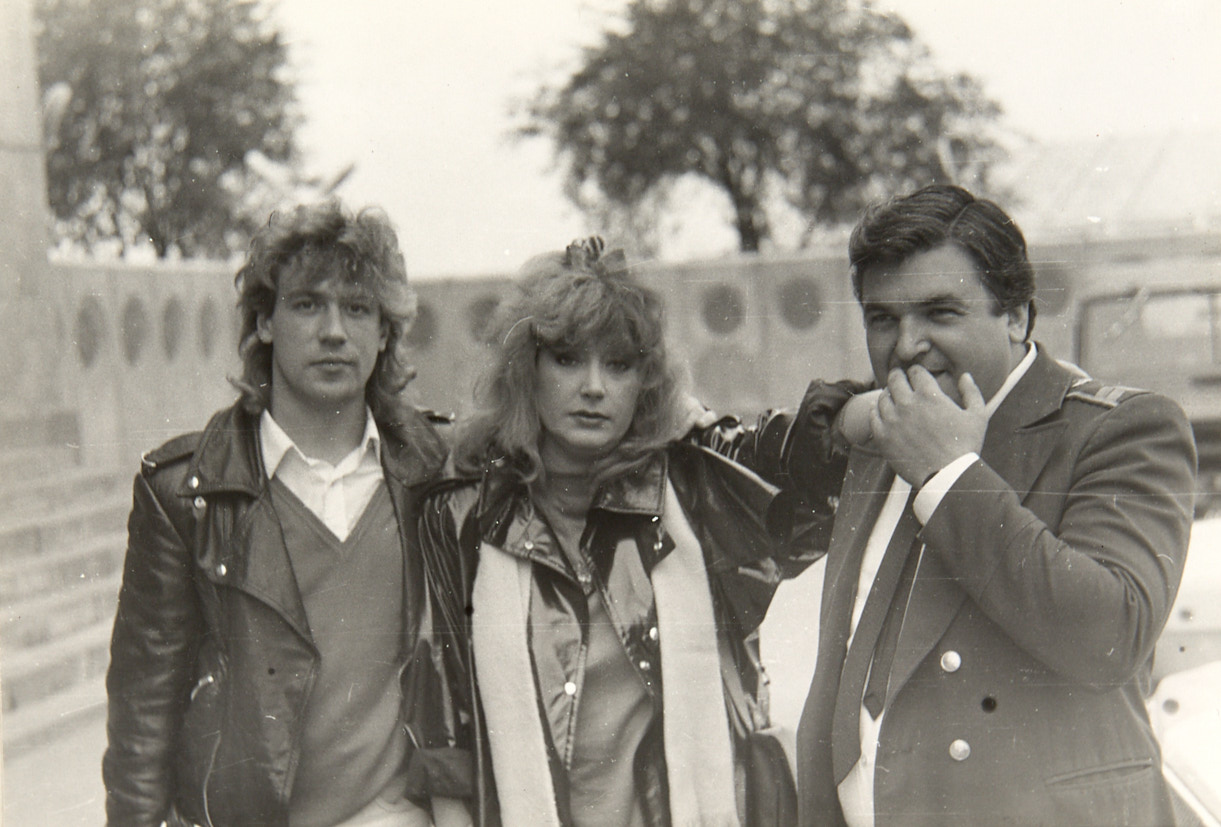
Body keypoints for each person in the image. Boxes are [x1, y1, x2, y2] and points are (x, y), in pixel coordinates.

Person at [400, 237, 855, 826]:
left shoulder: (688, 489)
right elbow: (443, 721)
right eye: (568, 360)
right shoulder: (463, 515)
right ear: (527, 370)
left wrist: (843, 416)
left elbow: (803, 487)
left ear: (646, 381)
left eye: (618, 365)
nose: (594, 387)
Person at [794, 184, 1198, 826]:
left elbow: (1111, 635)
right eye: (882, 319)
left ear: (1016, 316)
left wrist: (949, 476)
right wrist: (845, 414)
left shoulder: (1120, 429)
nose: (906, 345)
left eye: (940, 313)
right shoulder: (885, 428)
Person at [103, 200, 457, 826]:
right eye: (307, 305)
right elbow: (143, 713)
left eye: (358, 308)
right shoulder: (185, 492)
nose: (334, 332)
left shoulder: (432, 468)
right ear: (265, 321)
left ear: (384, 332)